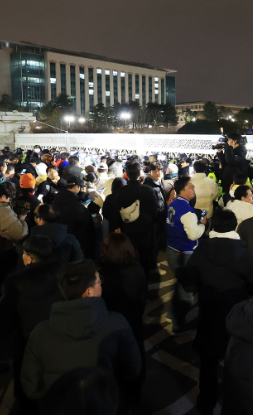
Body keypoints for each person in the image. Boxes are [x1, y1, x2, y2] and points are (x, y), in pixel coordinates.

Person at [180, 209, 253, 412]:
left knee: (208, 363)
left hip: (208, 315)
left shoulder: (202, 251)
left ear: (213, 226)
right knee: (235, 364)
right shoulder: (243, 253)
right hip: (236, 318)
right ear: (233, 226)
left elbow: (189, 284)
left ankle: (206, 401)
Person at [21, 260, 141, 404]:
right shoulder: (117, 323)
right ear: (88, 292)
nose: (101, 283)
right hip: (103, 404)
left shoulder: (40, 332)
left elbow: (31, 385)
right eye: (98, 280)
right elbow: (132, 369)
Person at [0, 235, 66, 415]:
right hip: (57, 341)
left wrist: (4, 350)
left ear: (28, 257)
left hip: (25, 344)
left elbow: (2, 320)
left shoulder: (15, 283)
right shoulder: (63, 276)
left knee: (26, 387)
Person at [98, 233, 148, 407]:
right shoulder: (137, 269)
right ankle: (134, 399)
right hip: (132, 322)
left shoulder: (100, 273)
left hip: (107, 323)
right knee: (133, 359)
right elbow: (142, 300)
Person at [165, 176, 207, 333]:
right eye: (191, 187)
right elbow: (193, 234)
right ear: (182, 190)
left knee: (180, 284)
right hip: (184, 253)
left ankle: (172, 314)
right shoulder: (187, 211)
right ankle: (178, 324)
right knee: (185, 291)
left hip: (172, 249)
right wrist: (202, 225)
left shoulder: (174, 204)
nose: (193, 190)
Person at [104, 163, 160, 273]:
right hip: (145, 227)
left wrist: (117, 226)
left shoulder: (121, 191)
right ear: (139, 174)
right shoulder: (148, 190)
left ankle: (130, 274)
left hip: (127, 227)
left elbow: (115, 211)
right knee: (144, 253)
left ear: (127, 174)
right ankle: (144, 275)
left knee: (129, 252)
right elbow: (155, 210)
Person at [52, 177, 96, 260]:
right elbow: (84, 220)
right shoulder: (76, 204)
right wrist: (85, 209)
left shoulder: (58, 197)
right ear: (76, 187)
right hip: (75, 234)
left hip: (59, 234)